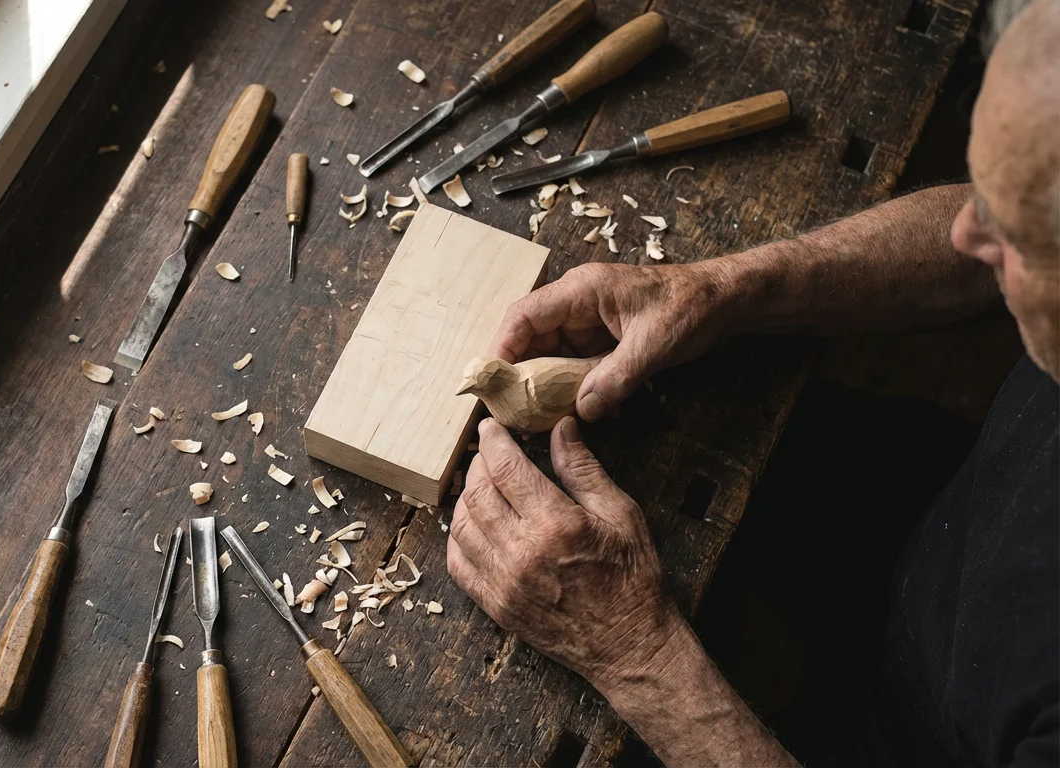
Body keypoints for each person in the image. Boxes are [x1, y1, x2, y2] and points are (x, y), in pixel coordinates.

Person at [446, 1, 1060, 765]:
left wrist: (636, 652)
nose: (968, 233)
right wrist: (725, 289)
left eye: (1022, 236)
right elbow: (973, 244)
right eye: (993, 196)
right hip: (953, 505)